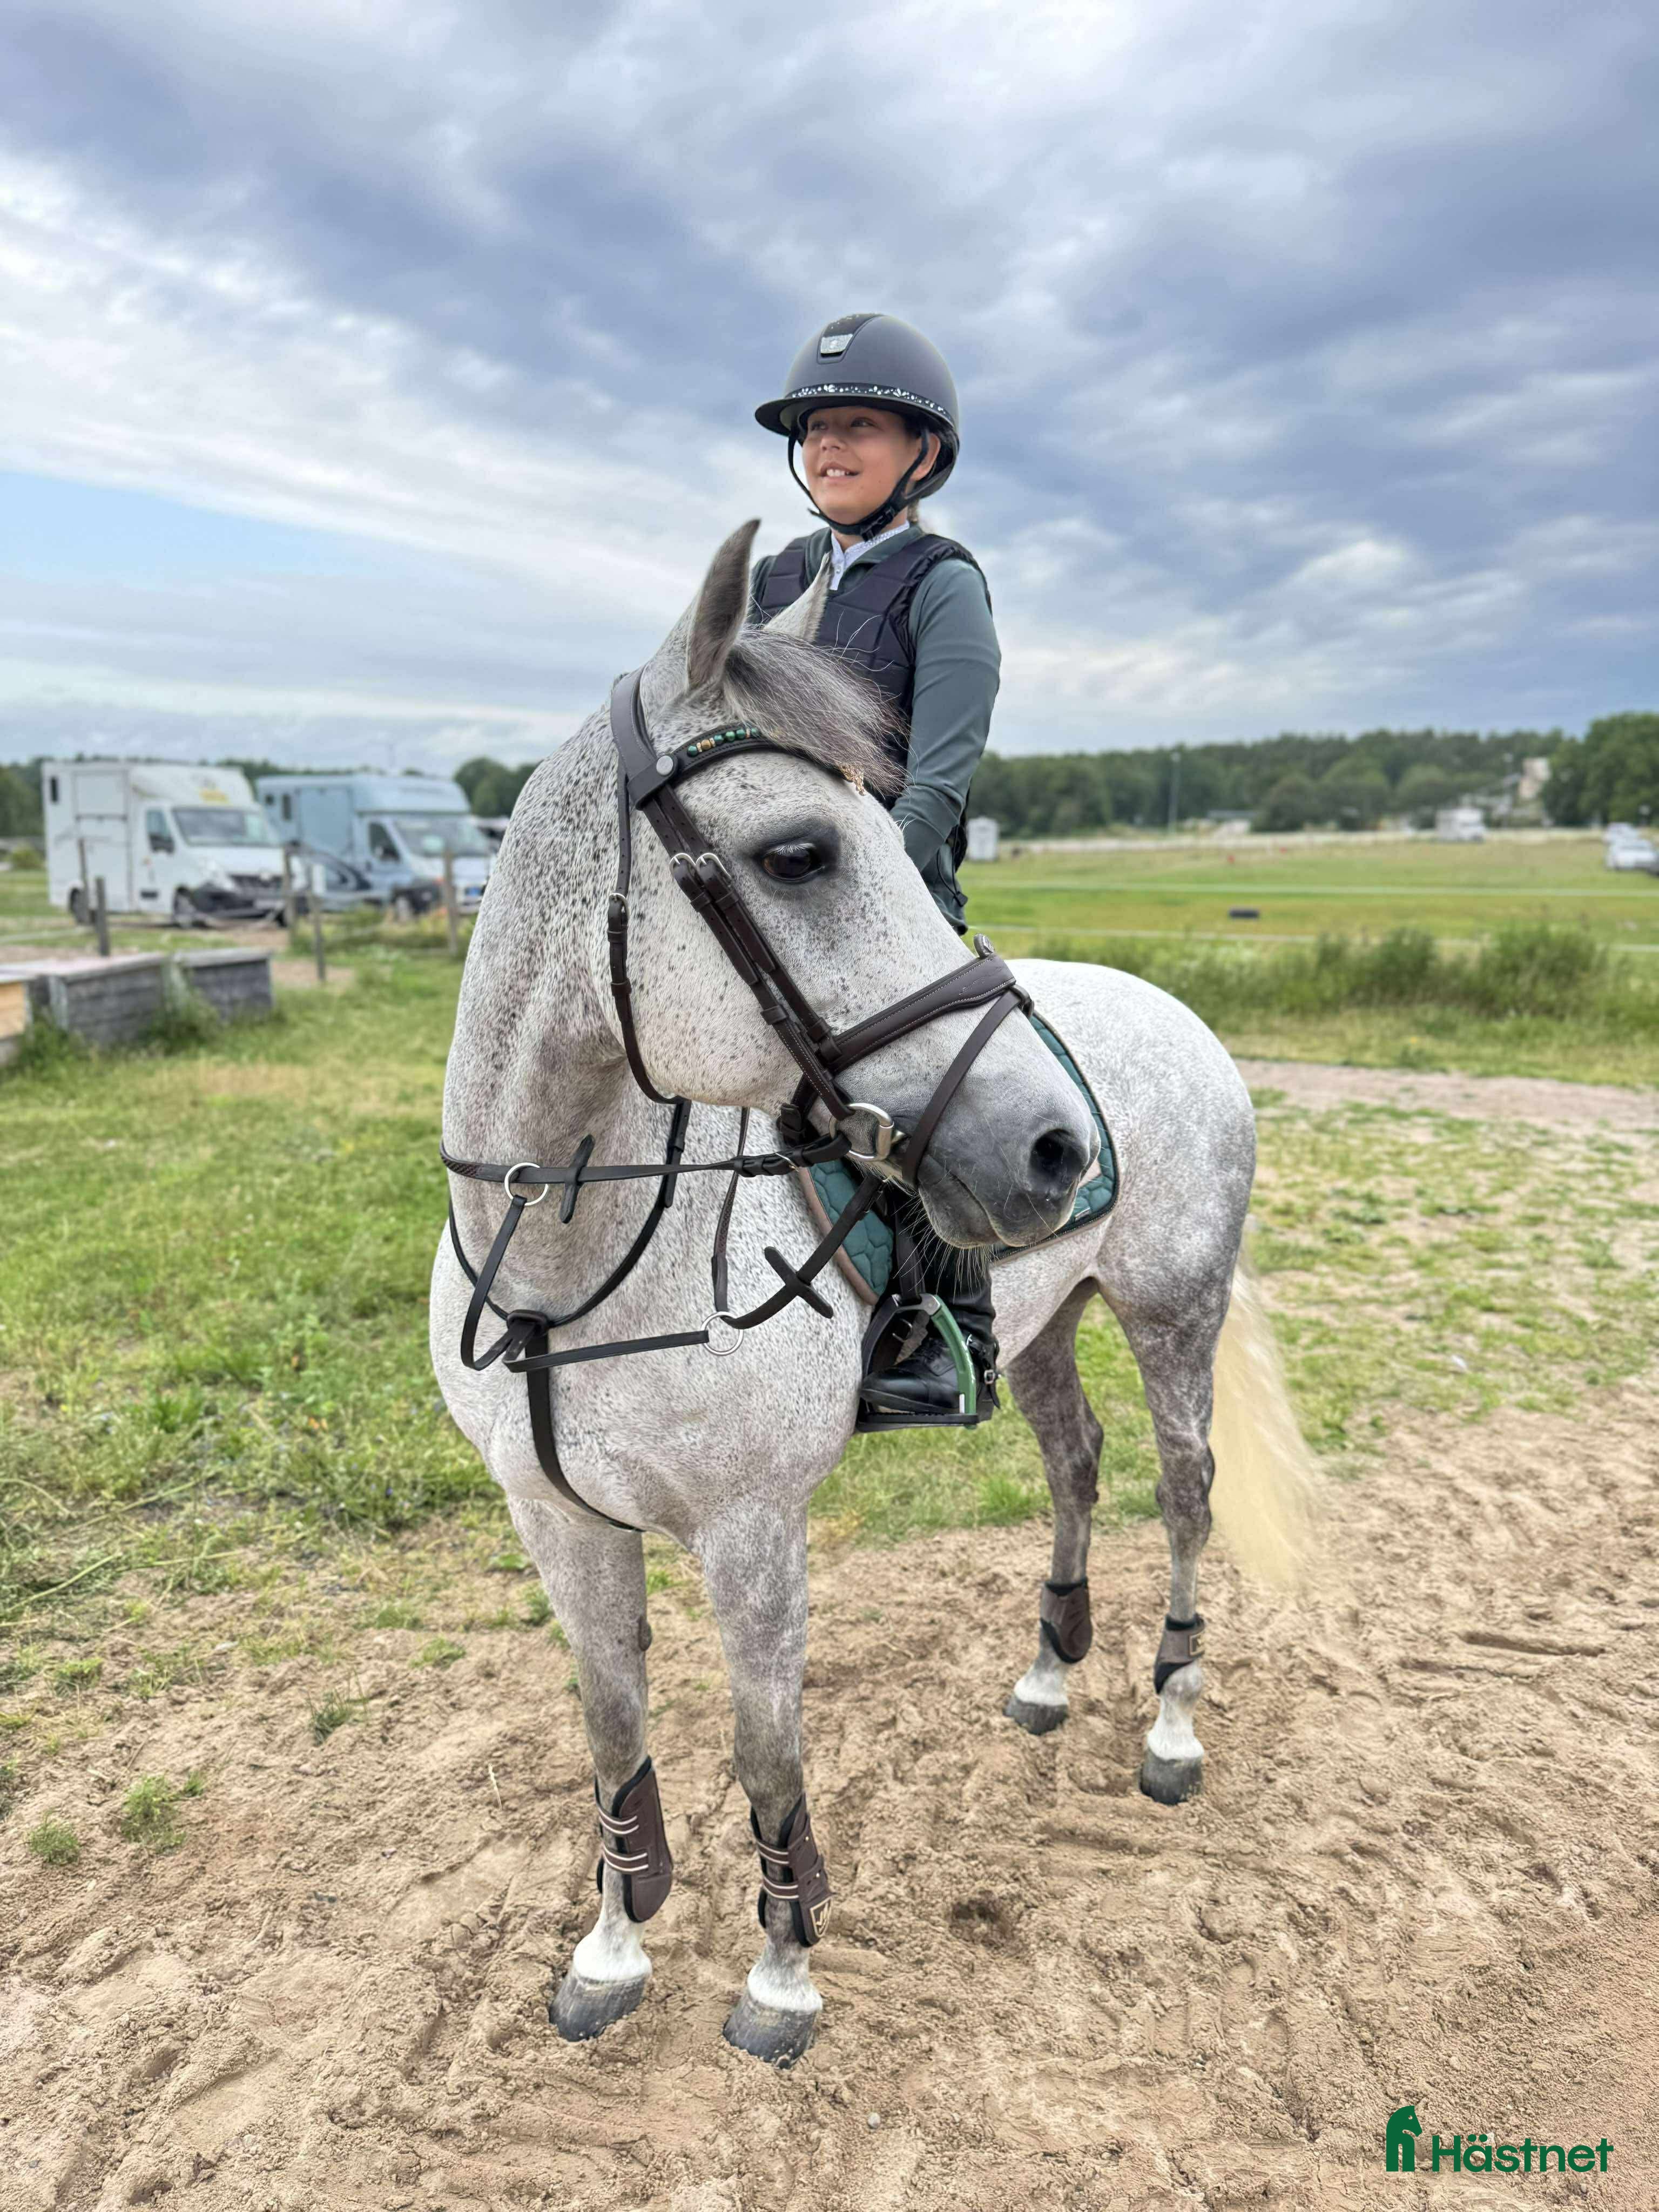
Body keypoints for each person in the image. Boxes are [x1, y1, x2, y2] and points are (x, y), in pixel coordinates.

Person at [751, 312, 1003, 1427]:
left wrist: (868, 900)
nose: (827, 448)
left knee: (926, 1100)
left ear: (924, 454)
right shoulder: (774, 578)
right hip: (764, 891)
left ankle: (953, 1336)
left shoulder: (943, 585)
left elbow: (939, 783)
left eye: (857, 427)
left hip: (892, 902)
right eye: (814, 431)